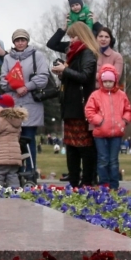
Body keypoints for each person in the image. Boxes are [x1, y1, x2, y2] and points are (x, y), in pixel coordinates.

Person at [48, 21, 102, 188]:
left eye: (73, 36)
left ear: (82, 35)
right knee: (71, 145)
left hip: (82, 105)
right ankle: (73, 181)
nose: (70, 40)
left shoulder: (87, 52)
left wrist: (65, 70)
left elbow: (85, 76)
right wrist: (62, 73)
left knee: (84, 146)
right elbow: (52, 44)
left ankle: (86, 181)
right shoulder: (72, 52)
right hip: (70, 103)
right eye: (70, 36)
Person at [0, 29, 51, 172]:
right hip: (14, 103)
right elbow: (3, 80)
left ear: (27, 41)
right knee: (14, 139)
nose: (20, 43)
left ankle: (30, 170)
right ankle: (15, 171)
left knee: (29, 138)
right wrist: (15, 87)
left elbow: (43, 77)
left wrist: (26, 87)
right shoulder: (7, 58)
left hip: (31, 103)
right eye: (17, 40)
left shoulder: (37, 56)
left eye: (23, 40)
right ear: (14, 42)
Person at [84, 65, 131, 187]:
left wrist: (124, 121)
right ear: (101, 81)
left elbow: (128, 110)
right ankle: (104, 183)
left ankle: (114, 184)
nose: (107, 84)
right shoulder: (96, 95)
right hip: (100, 133)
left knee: (113, 161)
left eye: (110, 81)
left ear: (115, 81)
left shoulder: (121, 95)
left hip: (116, 132)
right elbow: (89, 110)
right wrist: (99, 121)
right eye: (105, 81)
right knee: (102, 159)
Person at [0, 93, 26, 187]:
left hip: (2, 155)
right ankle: (15, 194)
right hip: (14, 156)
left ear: (6, 108)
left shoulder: (2, 119)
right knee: (12, 175)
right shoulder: (16, 120)